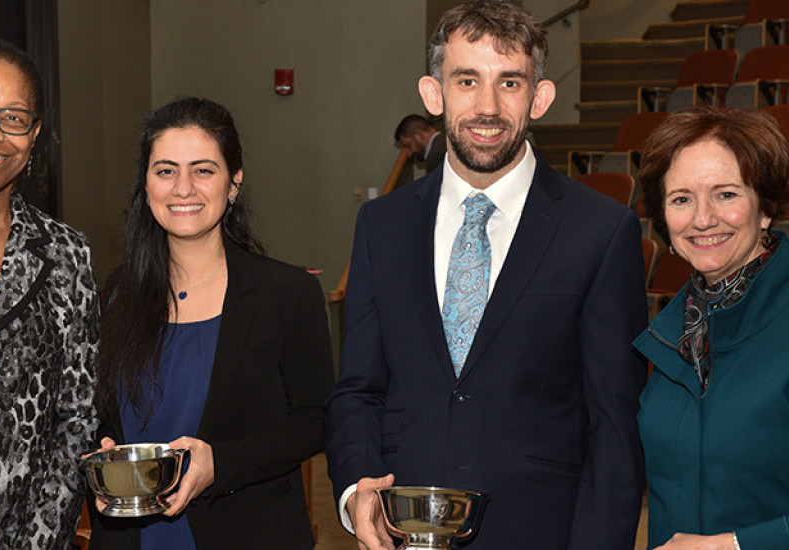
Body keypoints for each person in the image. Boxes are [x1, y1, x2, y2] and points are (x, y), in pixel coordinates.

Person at [324, 1, 647, 548]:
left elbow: (613, 425)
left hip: (539, 531)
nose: (488, 106)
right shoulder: (382, 225)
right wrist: (357, 489)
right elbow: (358, 390)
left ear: (540, 98)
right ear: (434, 94)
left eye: (511, 83)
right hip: (404, 532)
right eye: (467, 80)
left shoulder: (601, 230)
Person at [89, 96, 334, 550]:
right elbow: (106, 412)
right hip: (130, 539)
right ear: (146, 186)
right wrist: (105, 450)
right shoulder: (120, 290)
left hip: (247, 533)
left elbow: (317, 419)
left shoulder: (286, 293)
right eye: (165, 171)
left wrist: (221, 463)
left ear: (234, 183)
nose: (183, 188)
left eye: (203, 170)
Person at [0, 39, 99, 549]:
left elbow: (76, 417)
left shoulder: (66, 256)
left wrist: (39, 539)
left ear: (33, 135)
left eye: (12, 118)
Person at [635, 106, 789, 550]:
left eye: (725, 194)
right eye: (681, 199)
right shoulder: (673, 330)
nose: (702, 219)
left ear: (766, 206)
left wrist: (738, 544)